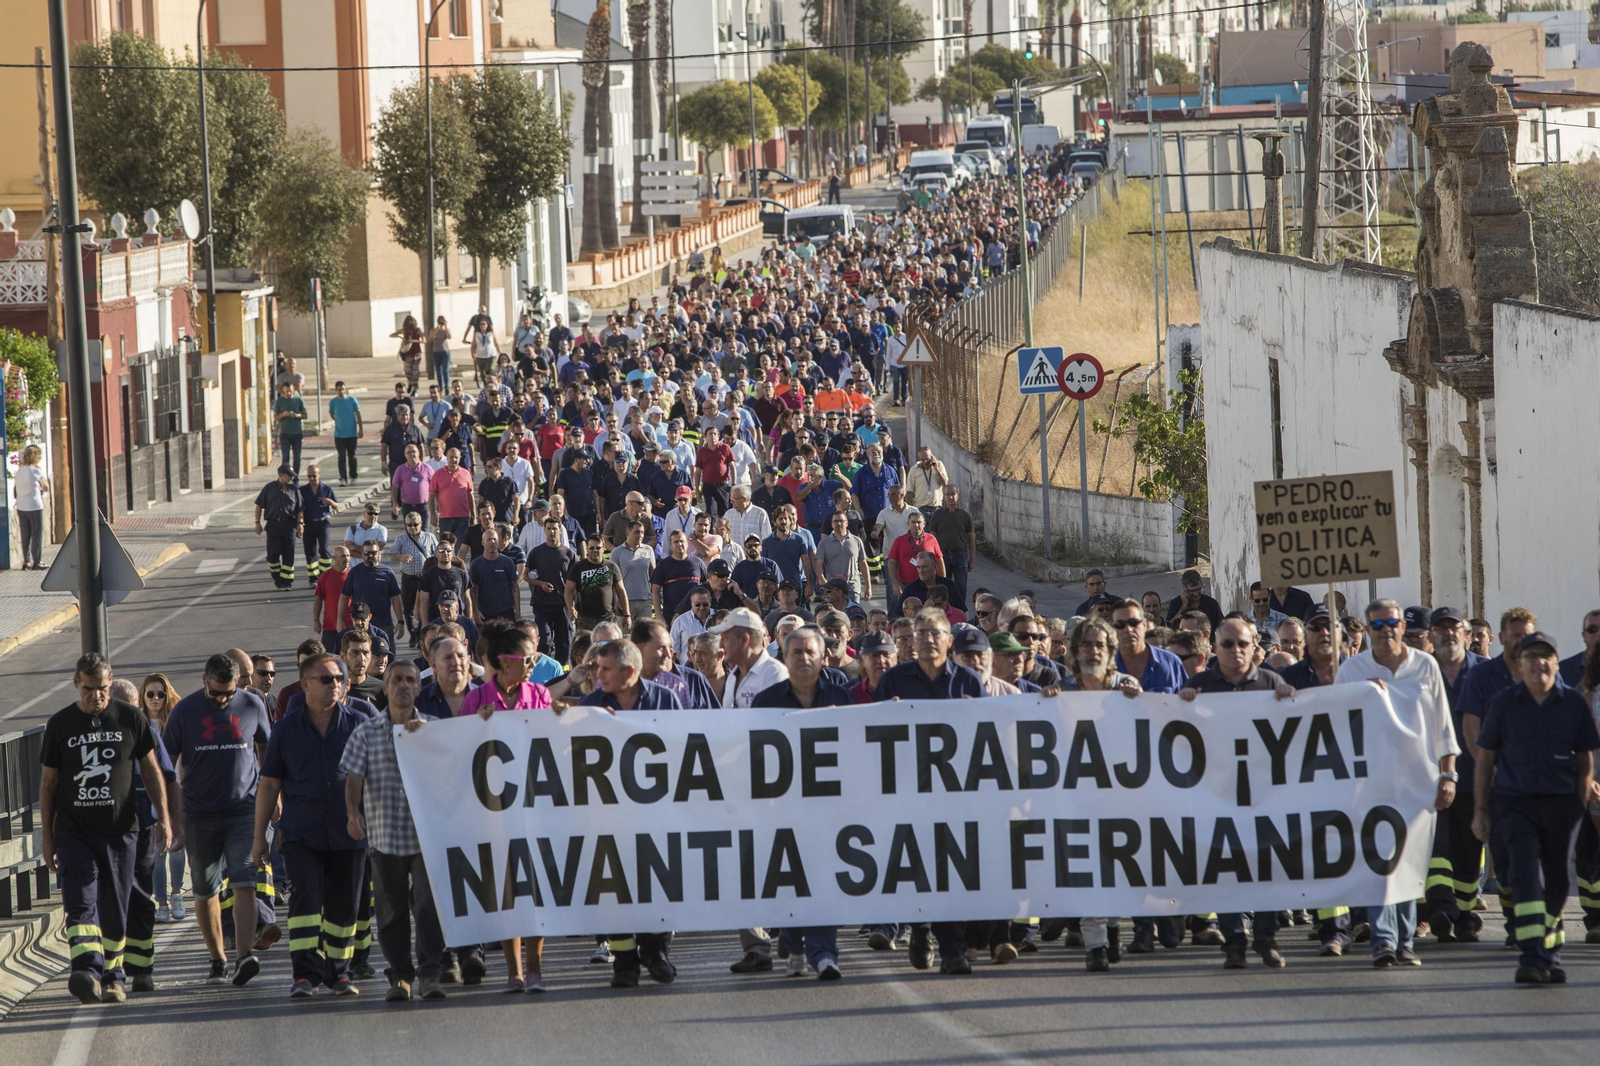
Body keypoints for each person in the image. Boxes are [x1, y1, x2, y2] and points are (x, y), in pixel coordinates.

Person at [1335, 599, 1461, 967]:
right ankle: (1383, 941)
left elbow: (1443, 725)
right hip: (1370, 785)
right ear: (1369, 629)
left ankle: (1406, 941)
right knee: (1380, 865)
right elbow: (1334, 723)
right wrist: (1360, 697)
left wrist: (1448, 774)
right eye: (1378, 625)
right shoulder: (1353, 669)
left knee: (1409, 865)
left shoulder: (1425, 665)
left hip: (1418, 783)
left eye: (1393, 623)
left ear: (1403, 628)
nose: (1386, 629)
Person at [41, 653, 170, 1004]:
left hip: (120, 831)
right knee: (80, 902)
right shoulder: (60, 724)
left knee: (115, 909)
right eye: (88, 689)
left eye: (101, 689)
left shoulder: (130, 718)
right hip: (73, 832)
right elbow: (49, 784)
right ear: (76, 684)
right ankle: (86, 969)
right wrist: (47, 837)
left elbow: (153, 771)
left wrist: (165, 818)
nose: (95, 696)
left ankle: (113, 977)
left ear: (110, 683)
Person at [1473, 630, 1600, 985]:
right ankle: (1532, 955)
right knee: (1527, 872)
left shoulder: (1573, 703)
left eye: (1546, 656)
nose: (1539, 663)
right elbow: (1485, 760)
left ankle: (1549, 954)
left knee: (1558, 880)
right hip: (1516, 803)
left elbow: (1585, 755)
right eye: (1531, 656)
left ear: (1556, 663)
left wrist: (1583, 790)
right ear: (1521, 664)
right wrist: (1481, 809)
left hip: (1562, 805)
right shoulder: (1503, 703)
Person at [1177, 617, 1296, 968]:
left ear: (1253, 646)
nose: (1236, 650)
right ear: (1214, 647)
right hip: (1218, 796)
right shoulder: (1200, 685)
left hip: (1263, 796)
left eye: (1243, 643)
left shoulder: (1270, 683)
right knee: (1226, 873)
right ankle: (1234, 943)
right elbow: (1175, 734)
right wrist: (1181, 703)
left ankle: (1266, 937)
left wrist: (1291, 702)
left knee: (1267, 869)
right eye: (1228, 644)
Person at [872, 608, 984, 973]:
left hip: (955, 794)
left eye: (936, 632)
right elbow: (873, 736)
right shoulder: (894, 681)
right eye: (921, 633)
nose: (928, 639)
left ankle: (952, 949)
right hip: (908, 792)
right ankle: (920, 928)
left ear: (949, 640)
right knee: (916, 865)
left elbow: (987, 739)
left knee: (951, 868)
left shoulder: (967, 682)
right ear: (911, 640)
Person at [254, 653, 368, 999]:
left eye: (338, 679)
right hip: (302, 833)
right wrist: (259, 837)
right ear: (305, 685)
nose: (335, 684)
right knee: (305, 904)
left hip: (351, 833)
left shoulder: (360, 721)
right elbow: (270, 783)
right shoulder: (286, 729)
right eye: (326, 679)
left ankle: (339, 974)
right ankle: (304, 975)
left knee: (344, 907)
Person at [749, 626, 854, 980]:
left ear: (824, 657)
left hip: (829, 811)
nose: (804, 658)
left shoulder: (843, 698)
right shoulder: (765, 703)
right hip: (782, 811)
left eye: (811, 652)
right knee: (793, 881)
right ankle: (794, 942)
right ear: (784, 658)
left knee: (824, 879)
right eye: (797, 653)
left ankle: (823, 954)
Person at [1057, 618, 1142, 971]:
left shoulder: (1127, 687)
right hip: (1077, 798)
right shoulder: (1062, 691)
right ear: (1075, 652)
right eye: (1086, 645)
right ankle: (1095, 945)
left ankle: (1112, 926)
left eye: (1100, 645)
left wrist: (1141, 703)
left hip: (1122, 798)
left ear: (1110, 651)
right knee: (1088, 871)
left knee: (1117, 869)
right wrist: (1045, 705)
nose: (1093, 651)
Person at [339, 542, 405, 640]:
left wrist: (400, 621)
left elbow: (396, 598)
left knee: (385, 654)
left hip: (383, 623)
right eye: (366, 553)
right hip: (360, 624)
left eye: (373, 553)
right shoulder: (354, 572)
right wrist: (339, 620)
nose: (370, 556)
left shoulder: (388, 572)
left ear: (379, 553)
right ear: (362, 554)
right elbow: (344, 596)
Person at [567, 533, 629, 633]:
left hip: (607, 618)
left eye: (598, 547)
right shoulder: (578, 567)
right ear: (587, 549)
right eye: (591, 548)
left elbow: (621, 591)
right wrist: (570, 607)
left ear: (603, 548)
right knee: (586, 648)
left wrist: (627, 615)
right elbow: (568, 590)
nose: (595, 550)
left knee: (609, 647)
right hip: (585, 619)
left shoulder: (612, 567)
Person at [255, 465, 304, 591]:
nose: (291, 477)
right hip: (273, 525)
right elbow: (259, 506)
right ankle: (277, 577)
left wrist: (300, 524)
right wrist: (257, 522)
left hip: (289, 526)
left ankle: (286, 582)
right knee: (272, 555)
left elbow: (300, 509)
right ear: (281, 475)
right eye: (289, 475)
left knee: (288, 555)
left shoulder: (294, 490)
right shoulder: (269, 488)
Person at [926, 485, 974, 608]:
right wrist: (933, 558)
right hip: (942, 556)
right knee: (942, 588)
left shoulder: (965, 515)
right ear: (944, 496)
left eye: (953, 494)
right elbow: (932, 538)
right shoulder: (937, 515)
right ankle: (945, 611)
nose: (950, 497)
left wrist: (972, 559)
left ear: (958, 495)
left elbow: (971, 538)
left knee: (961, 587)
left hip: (960, 554)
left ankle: (960, 612)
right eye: (948, 494)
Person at [298, 464, 340, 590]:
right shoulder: (303, 491)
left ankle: (325, 577)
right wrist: (300, 524)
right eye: (309, 476)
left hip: (323, 523)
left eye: (314, 476)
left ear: (319, 475)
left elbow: (337, 506)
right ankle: (313, 579)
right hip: (309, 523)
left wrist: (330, 502)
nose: (311, 479)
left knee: (324, 550)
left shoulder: (327, 489)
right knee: (310, 552)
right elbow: (300, 509)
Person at [469, 526, 521, 624]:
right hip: (485, 614)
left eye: (495, 539)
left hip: (506, 612)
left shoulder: (507, 562)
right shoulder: (476, 564)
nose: (492, 542)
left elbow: (514, 587)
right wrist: (475, 611)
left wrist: (517, 612)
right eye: (489, 539)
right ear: (483, 543)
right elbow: (472, 590)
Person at [13, 443, 49, 569]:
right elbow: (46, 487)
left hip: (21, 506)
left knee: (25, 534)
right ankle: (37, 561)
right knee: (37, 534)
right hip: (35, 505)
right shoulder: (36, 471)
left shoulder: (19, 471)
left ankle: (26, 561)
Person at [273, 382, 307, 474]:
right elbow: (275, 417)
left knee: (297, 457)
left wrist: (296, 415)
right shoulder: (280, 401)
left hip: (297, 433)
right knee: (285, 457)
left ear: (293, 391)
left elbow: (305, 415)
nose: (288, 393)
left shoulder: (298, 400)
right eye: (286, 391)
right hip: (284, 433)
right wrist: (283, 415)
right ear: (283, 391)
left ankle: (295, 476)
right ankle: (285, 476)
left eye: (290, 391)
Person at [391, 315, 424, 395]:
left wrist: (413, 341)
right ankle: (410, 384)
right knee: (407, 371)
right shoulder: (404, 331)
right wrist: (400, 337)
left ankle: (415, 388)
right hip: (407, 353)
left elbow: (424, 340)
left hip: (416, 353)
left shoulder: (417, 330)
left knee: (415, 372)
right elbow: (392, 335)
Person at [428, 315, 453, 390]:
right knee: (438, 372)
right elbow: (430, 339)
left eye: (442, 322)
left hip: (445, 352)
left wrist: (445, 327)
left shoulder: (446, 330)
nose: (441, 323)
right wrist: (436, 330)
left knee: (445, 370)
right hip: (436, 352)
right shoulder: (433, 330)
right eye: (439, 322)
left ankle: (447, 387)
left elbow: (449, 337)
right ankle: (440, 387)